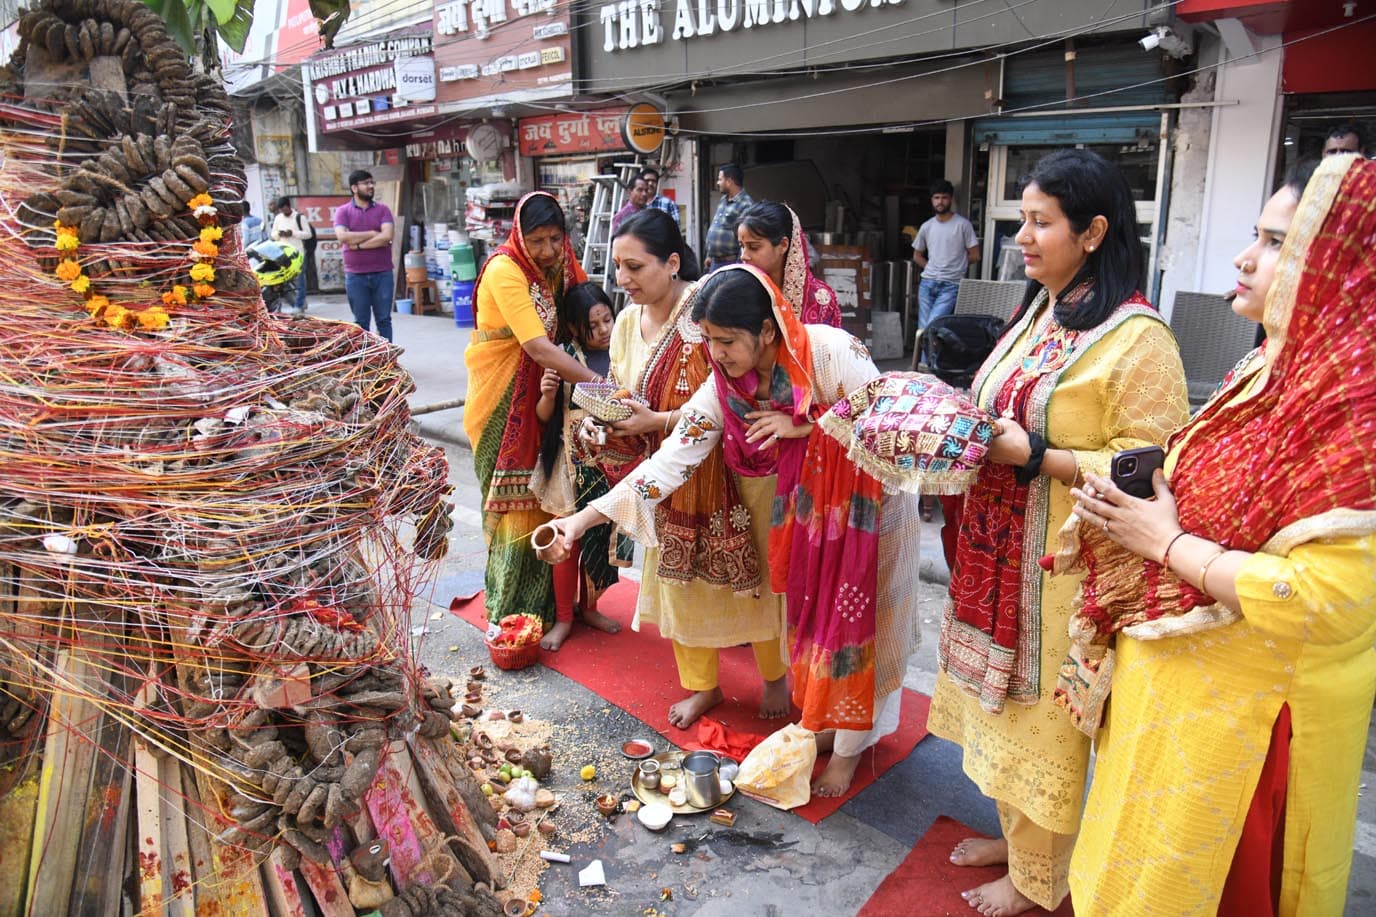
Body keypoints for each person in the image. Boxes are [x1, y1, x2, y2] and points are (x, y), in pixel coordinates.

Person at [1062, 155, 1376, 915]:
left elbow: (1327, 599)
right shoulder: (1271, 365)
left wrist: (1164, 543)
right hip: (1179, 697)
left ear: (1337, 270)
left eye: (1275, 242)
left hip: (1251, 733)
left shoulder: (1356, 405)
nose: (1245, 257)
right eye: (1255, 234)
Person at [925, 148, 1189, 916]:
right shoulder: (1040, 308)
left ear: (1095, 231)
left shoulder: (1139, 340)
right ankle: (1016, 838)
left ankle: (1042, 881)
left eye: (1041, 223)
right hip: (996, 553)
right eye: (1021, 222)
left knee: (1048, 725)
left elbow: (1156, 464)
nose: (1023, 239)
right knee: (1002, 713)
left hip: (1065, 571)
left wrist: (1042, 455)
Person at [551, 264, 923, 795]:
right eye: (709, 341)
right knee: (815, 628)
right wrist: (582, 519)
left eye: (727, 341)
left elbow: (890, 426)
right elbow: (671, 462)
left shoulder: (829, 352)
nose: (717, 353)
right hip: (810, 521)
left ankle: (851, 748)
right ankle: (828, 725)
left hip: (872, 516)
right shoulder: (723, 386)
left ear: (767, 330)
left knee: (864, 630)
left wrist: (804, 425)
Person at [565, 210, 790, 729]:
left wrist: (660, 418)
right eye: (617, 267)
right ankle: (703, 687)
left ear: (671, 262)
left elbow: (734, 394)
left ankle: (775, 675)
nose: (622, 280)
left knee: (752, 580)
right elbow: (621, 390)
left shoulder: (710, 308)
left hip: (736, 466)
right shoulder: (624, 322)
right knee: (679, 586)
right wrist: (606, 423)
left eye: (634, 266)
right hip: (665, 473)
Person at [463, 192, 600, 633]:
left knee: (554, 500)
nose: (547, 251)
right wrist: (600, 386)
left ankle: (560, 607)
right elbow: (537, 345)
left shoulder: (561, 265)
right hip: (502, 398)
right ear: (520, 236)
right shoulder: (505, 269)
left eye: (555, 239)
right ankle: (514, 608)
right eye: (537, 240)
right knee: (517, 505)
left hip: (549, 394)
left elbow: (587, 309)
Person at [531, 281, 627, 651]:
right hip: (569, 468)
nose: (604, 330)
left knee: (600, 541)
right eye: (594, 325)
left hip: (608, 465)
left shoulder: (622, 353)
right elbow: (544, 417)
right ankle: (564, 619)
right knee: (565, 543)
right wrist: (548, 395)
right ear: (575, 329)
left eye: (607, 319)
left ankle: (590, 608)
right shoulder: (564, 356)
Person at [737, 201, 842, 327]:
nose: (744, 255)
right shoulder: (739, 293)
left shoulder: (820, 300)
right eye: (742, 246)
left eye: (754, 247)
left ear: (783, 245)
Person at [333, 170, 396, 342]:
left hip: (382, 273)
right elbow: (342, 237)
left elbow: (387, 236)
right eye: (366, 183)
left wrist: (358, 245)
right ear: (354, 188)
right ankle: (365, 361)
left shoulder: (383, 210)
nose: (370, 186)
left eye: (372, 183)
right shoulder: (343, 212)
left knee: (384, 320)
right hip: (356, 276)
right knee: (361, 324)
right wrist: (372, 233)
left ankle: (386, 359)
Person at [912, 179, 980, 328]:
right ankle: (924, 353)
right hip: (927, 283)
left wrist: (957, 263)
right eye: (936, 198)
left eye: (944, 197)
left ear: (950, 199)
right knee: (923, 328)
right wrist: (930, 266)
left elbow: (975, 255)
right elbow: (917, 256)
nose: (940, 202)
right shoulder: (927, 226)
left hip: (951, 285)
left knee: (933, 325)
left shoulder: (963, 225)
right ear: (931, 200)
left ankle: (927, 352)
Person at [704, 163, 753, 271]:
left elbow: (746, 238)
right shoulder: (723, 200)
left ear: (729, 181)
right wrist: (709, 255)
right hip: (715, 262)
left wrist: (739, 266)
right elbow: (716, 226)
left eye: (720, 179)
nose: (718, 183)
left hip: (730, 263)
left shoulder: (745, 204)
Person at [271, 196, 312, 315]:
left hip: (298, 254)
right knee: (283, 281)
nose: (283, 212)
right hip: (283, 254)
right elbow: (273, 234)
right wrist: (279, 234)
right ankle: (295, 302)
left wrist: (293, 233)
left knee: (300, 281)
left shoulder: (299, 217)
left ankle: (299, 305)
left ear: (288, 206)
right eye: (281, 210)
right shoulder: (278, 218)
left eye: (284, 209)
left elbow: (308, 234)